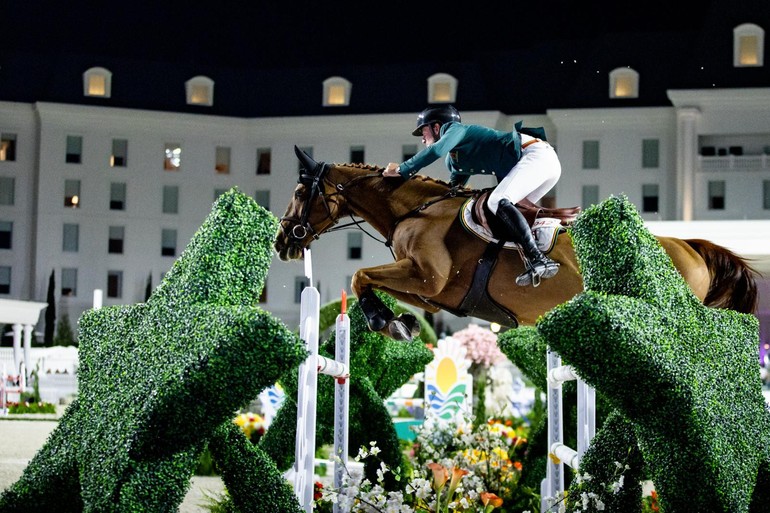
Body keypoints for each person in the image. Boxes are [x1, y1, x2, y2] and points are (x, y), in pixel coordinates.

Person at [383, 105, 562, 286]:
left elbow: (435, 151)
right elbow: (452, 191)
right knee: (503, 216)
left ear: (437, 127)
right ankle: (533, 257)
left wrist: (402, 170)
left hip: (536, 156)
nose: (422, 139)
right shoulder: (454, 159)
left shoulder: (455, 129)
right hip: (543, 166)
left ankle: (538, 258)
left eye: (423, 131)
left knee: (497, 201)